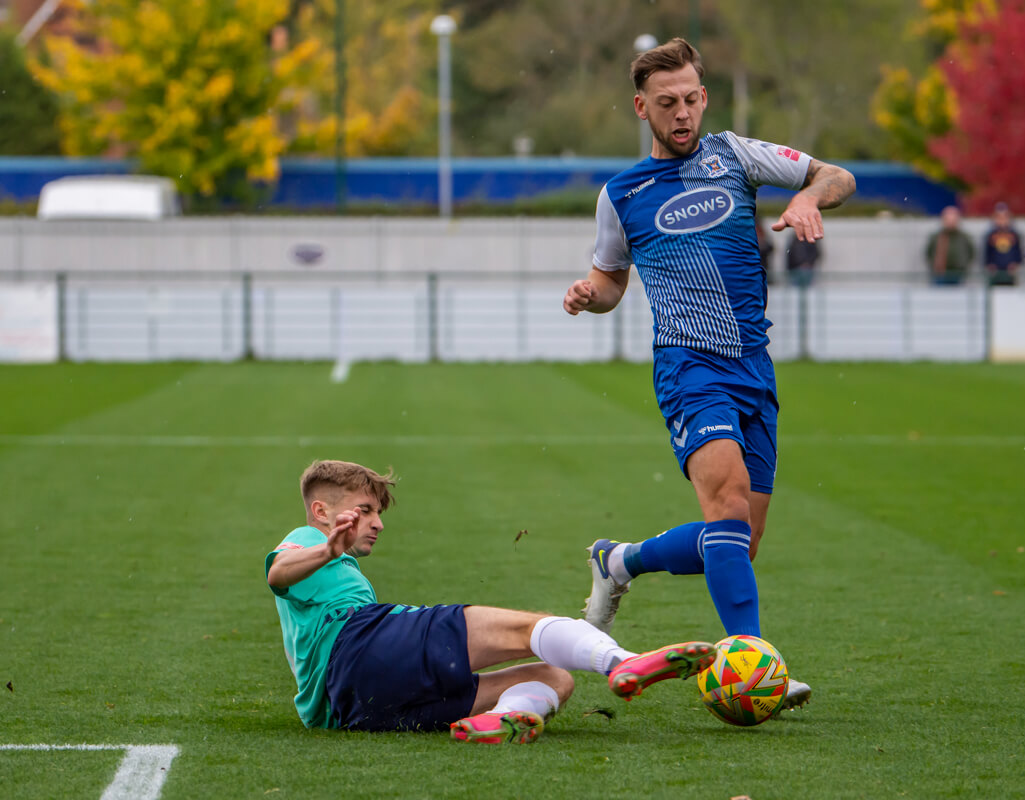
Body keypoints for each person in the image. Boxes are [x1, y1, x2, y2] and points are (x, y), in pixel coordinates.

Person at [561, 37, 856, 714]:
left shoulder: (735, 156)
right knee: (723, 511)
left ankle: (619, 561)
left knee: (737, 544)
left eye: (692, 98)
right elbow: (611, 281)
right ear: (643, 108)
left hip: (754, 367)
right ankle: (753, 665)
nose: (683, 112)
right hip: (690, 368)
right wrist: (588, 293)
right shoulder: (623, 193)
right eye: (667, 103)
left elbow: (837, 174)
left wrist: (811, 198)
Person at [265, 459, 716, 744]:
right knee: (525, 629)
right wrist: (326, 549)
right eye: (365, 510)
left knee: (556, 676)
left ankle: (504, 717)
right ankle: (621, 662)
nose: (378, 523)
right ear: (322, 512)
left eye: (378, 512)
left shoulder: (338, 569)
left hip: (352, 713)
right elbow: (278, 573)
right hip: (360, 646)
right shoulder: (307, 541)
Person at [924, 205, 974, 286]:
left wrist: (964, 267)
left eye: (953, 219)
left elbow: (971, 253)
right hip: (940, 275)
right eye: (948, 219)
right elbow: (928, 253)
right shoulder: (937, 237)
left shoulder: (964, 237)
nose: (951, 222)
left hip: (958, 275)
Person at [983, 202, 1025, 287]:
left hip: (1010, 273)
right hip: (995, 273)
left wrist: (1016, 264)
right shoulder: (991, 235)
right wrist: (989, 265)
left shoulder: (1014, 235)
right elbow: (987, 253)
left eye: (1004, 217)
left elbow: (1019, 252)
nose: (1002, 220)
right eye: (999, 217)